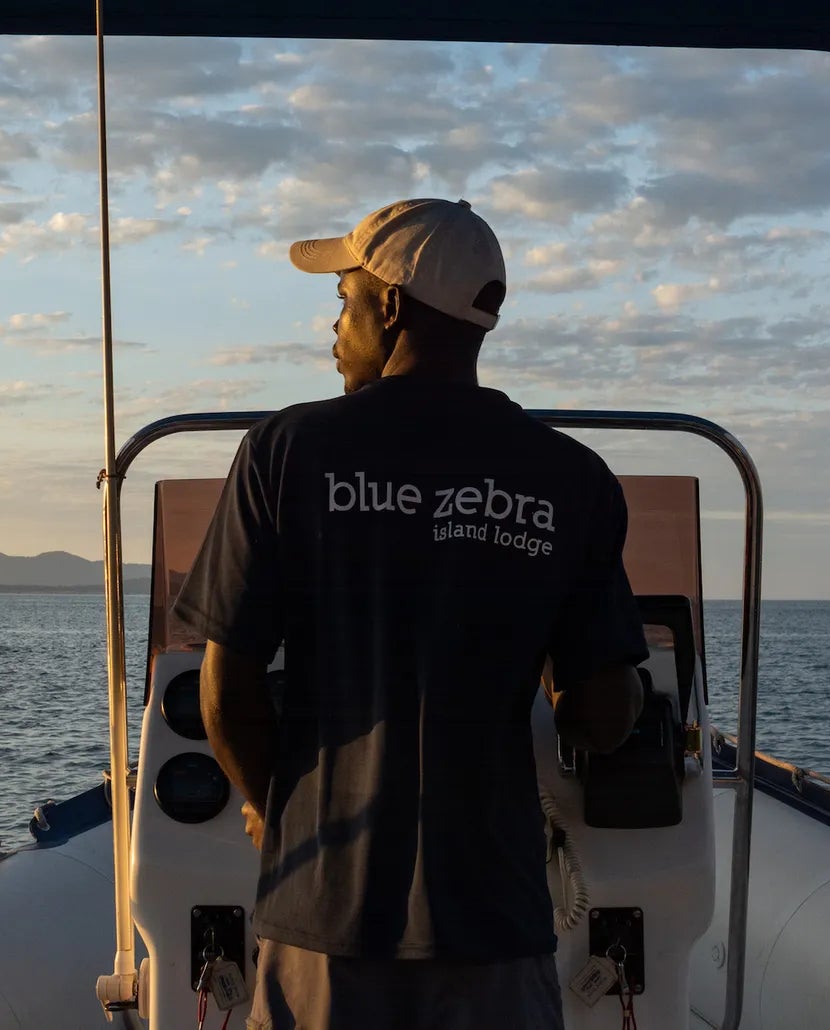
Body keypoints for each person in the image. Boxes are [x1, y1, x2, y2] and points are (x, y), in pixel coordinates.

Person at [173, 197, 649, 1030]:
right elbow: (601, 718)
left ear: (390, 306)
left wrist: (274, 807)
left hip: (322, 920)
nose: (335, 329)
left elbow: (226, 697)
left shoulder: (285, 453)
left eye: (343, 302)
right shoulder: (572, 479)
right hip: (493, 928)